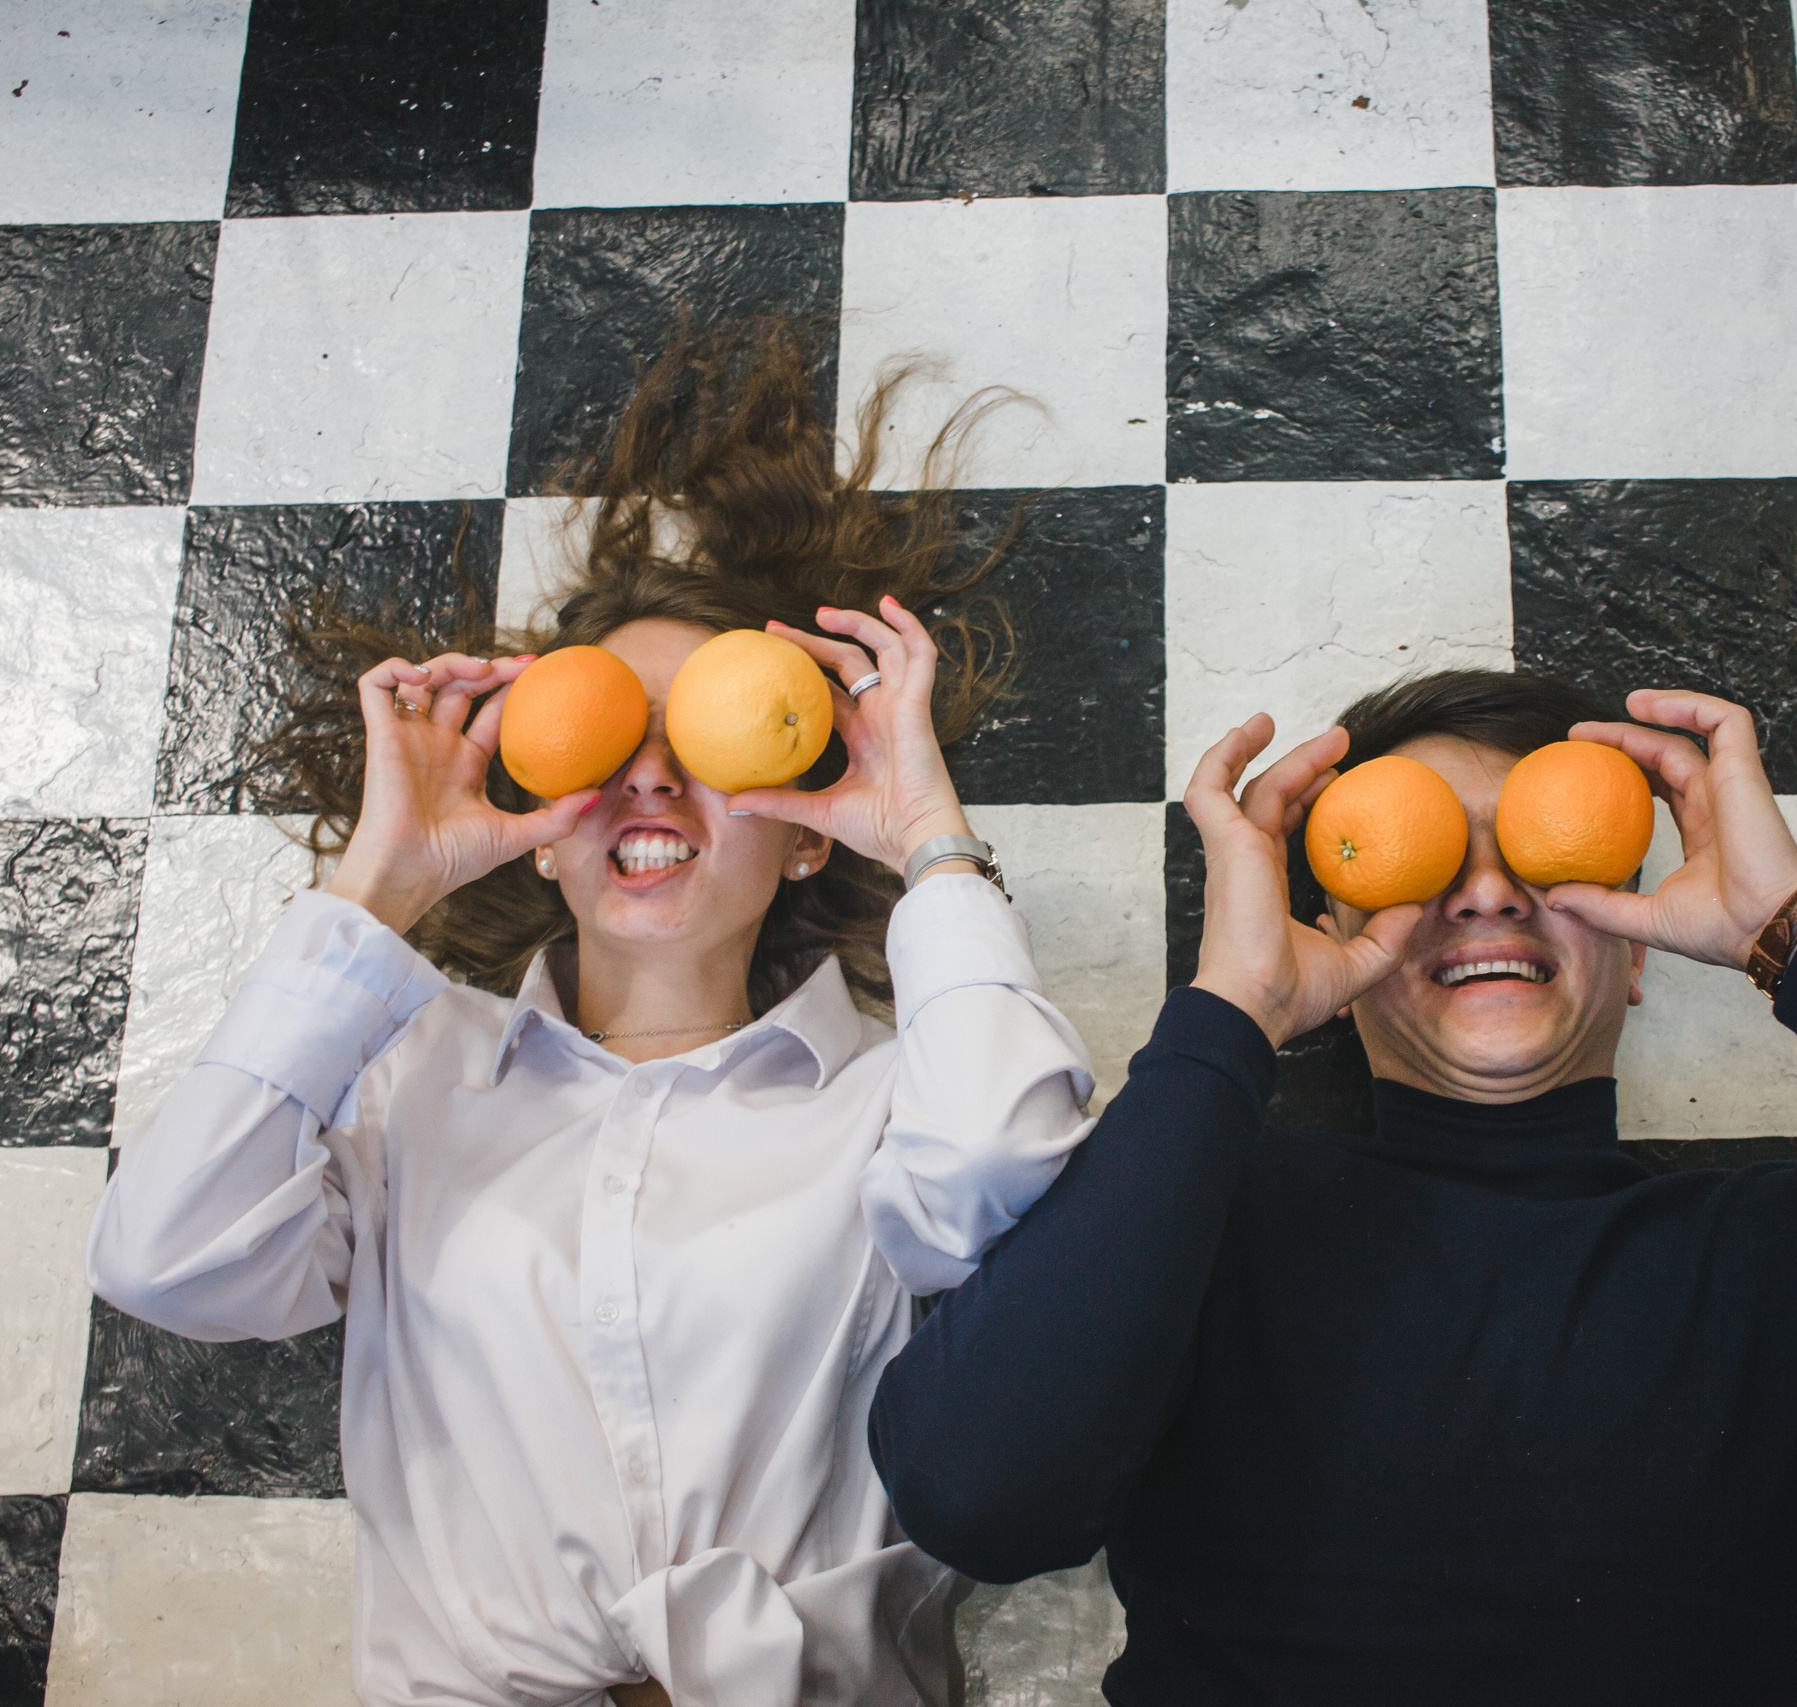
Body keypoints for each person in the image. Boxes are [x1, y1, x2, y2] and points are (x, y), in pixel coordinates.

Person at [867, 669, 1797, 1704]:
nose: (1486, 893)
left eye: (1542, 850)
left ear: (1642, 947)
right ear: (1336, 941)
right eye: (1428, 856)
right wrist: (1231, 1013)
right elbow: (978, 1495)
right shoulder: (1194, 1214)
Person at [87, 326, 1096, 1707]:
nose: (651, 779)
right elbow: (165, 1258)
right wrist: (382, 885)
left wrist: (927, 833)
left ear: (807, 830)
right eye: (608, 738)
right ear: (547, 832)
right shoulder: (414, 1081)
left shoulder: (901, 1099)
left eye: (708, 738)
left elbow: (996, 1170)